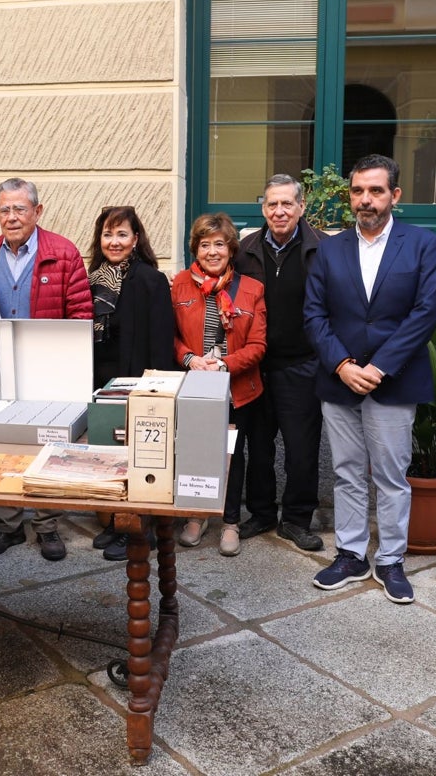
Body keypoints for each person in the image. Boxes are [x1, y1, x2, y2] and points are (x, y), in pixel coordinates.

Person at [304, 154, 436, 604]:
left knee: (391, 475)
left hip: (394, 381)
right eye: (359, 191)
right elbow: (314, 315)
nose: (366, 199)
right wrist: (343, 365)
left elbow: (425, 314)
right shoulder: (329, 249)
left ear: (394, 195)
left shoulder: (422, 244)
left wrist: (379, 368)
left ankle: (391, 560)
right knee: (345, 472)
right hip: (339, 379)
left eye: (376, 190)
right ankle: (350, 554)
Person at [0, 178, 92, 561]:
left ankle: (47, 525)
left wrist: (67, 365)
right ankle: (7, 525)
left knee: (49, 446)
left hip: (49, 370)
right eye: (5, 209)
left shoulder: (63, 252)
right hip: (0, 368)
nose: (12, 217)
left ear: (37, 212)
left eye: (20, 209)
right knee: (4, 445)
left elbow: (81, 316)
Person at [234, 174, 326, 552]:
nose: (280, 210)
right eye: (272, 204)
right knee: (258, 446)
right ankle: (260, 512)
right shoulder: (246, 249)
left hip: (302, 365)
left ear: (301, 207)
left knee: (302, 449)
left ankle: (297, 519)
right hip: (254, 366)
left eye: (287, 203)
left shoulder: (322, 248)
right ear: (263, 209)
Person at [172, 213, 266, 557]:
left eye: (219, 244)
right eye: (204, 244)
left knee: (231, 455)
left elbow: (258, 346)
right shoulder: (180, 284)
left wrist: (225, 363)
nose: (212, 251)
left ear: (231, 249)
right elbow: (173, 337)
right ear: (196, 248)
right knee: (195, 450)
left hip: (236, 387)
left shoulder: (252, 289)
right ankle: (197, 516)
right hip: (195, 383)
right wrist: (190, 360)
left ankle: (229, 522)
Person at [85, 205, 175, 561]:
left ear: (136, 239)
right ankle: (116, 521)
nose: (114, 241)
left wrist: (155, 389)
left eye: (122, 234)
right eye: (108, 234)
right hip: (101, 378)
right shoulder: (94, 278)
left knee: (139, 455)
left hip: (138, 380)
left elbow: (161, 338)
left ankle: (139, 528)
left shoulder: (150, 279)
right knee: (110, 452)